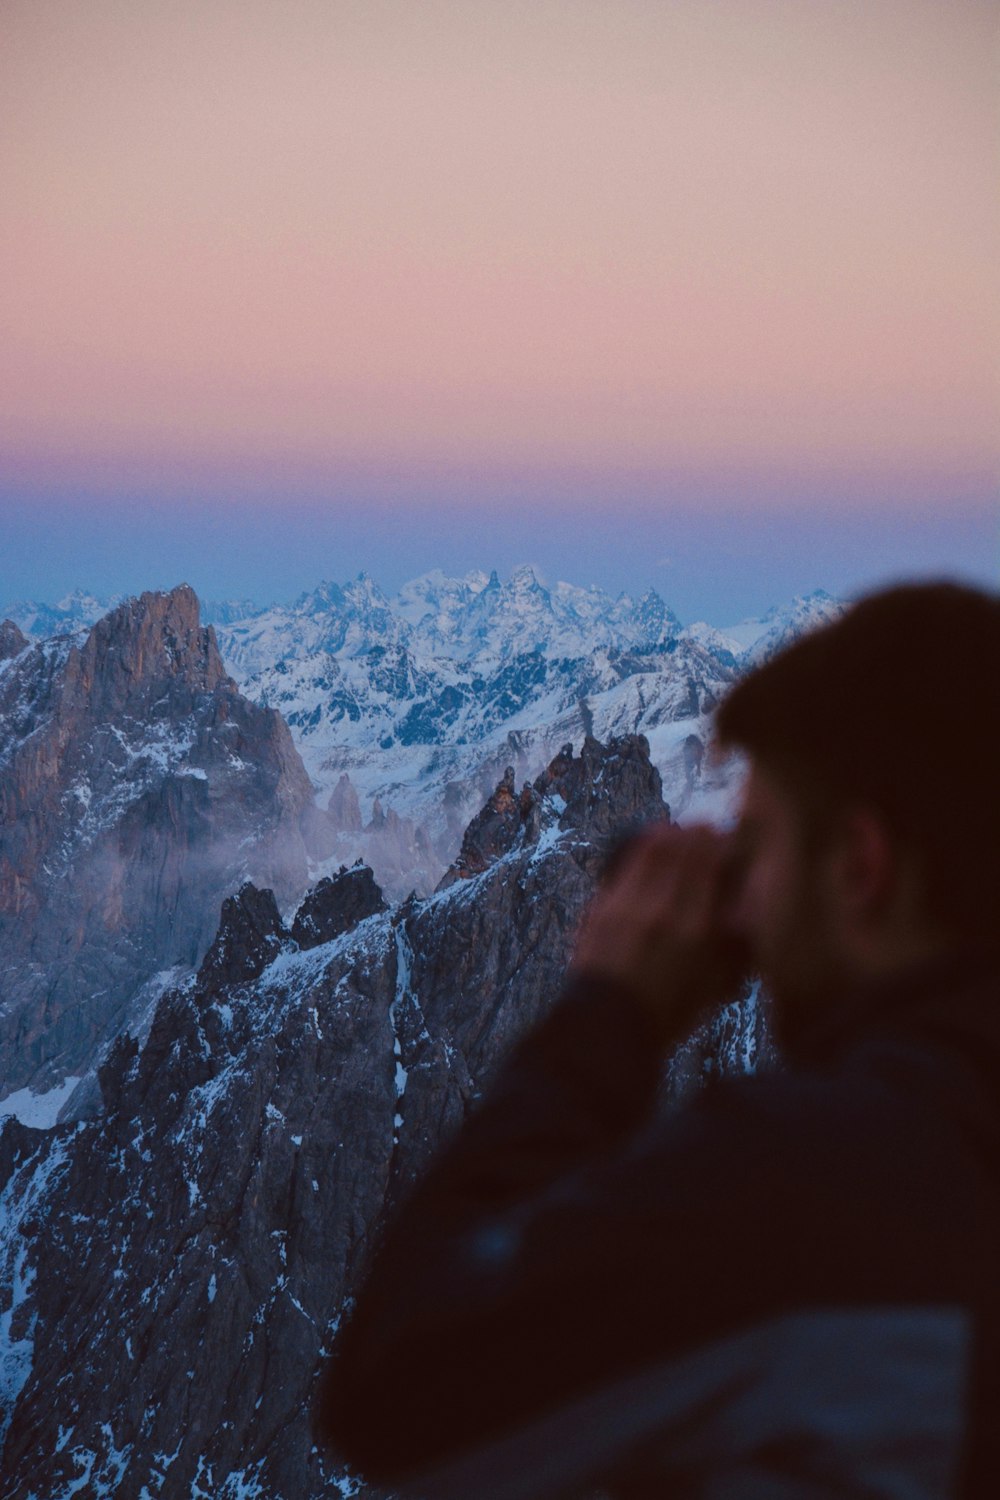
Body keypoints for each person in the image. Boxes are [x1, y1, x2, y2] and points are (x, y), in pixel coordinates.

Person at [317, 581, 1000, 1498]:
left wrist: (613, 1012)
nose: (744, 900)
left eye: (757, 846)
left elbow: (395, 1394)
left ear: (858, 866)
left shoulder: (826, 1184)